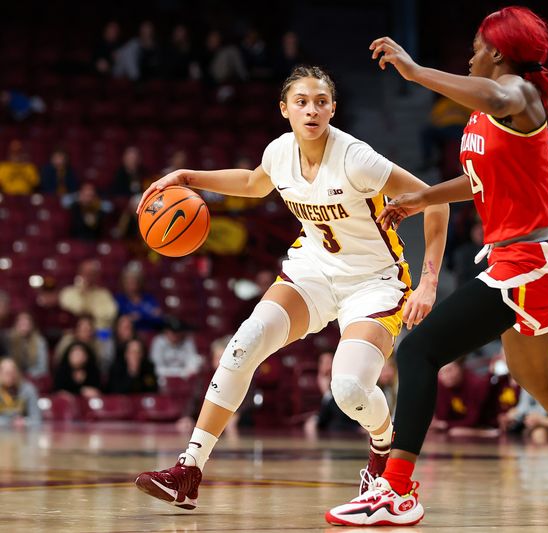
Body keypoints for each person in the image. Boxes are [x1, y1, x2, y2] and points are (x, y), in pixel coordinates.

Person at [328, 8, 548, 525]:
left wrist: (416, 71)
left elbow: (497, 95)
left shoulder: (517, 94)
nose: (470, 55)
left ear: (497, 51)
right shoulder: (484, 114)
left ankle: (395, 490)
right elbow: (479, 183)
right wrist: (423, 197)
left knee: (420, 349)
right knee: (533, 374)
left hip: (531, 257)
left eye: (476, 46)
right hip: (532, 258)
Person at [134, 65, 448, 510]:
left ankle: (383, 440)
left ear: (333, 109)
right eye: (301, 101)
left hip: (374, 281)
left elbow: (435, 202)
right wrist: (187, 177)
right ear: (285, 110)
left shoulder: (356, 157)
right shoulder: (280, 153)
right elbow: (251, 183)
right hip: (313, 270)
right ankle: (189, 468)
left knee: (350, 391)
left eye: (321, 101)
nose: (312, 109)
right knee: (243, 344)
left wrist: (429, 282)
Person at [0, 358, 42, 428]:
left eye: (12, 372)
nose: (10, 376)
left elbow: (36, 419)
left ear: (17, 372)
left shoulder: (28, 390)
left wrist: (24, 422)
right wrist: (10, 422)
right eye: (6, 373)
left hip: (23, 432)